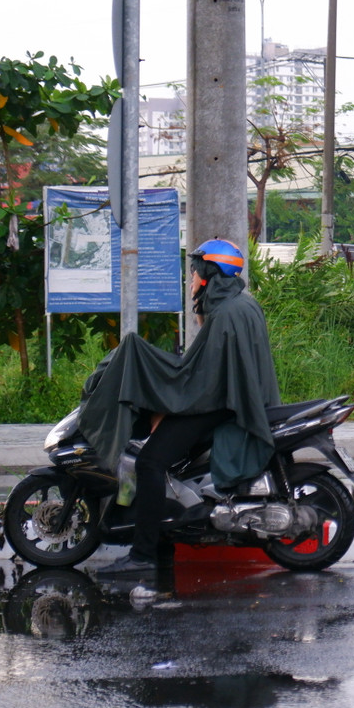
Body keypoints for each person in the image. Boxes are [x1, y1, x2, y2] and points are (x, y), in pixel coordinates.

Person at [81, 239, 281, 575]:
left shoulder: (225, 315)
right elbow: (205, 368)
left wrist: (170, 402)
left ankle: (143, 555)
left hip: (219, 405)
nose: (190, 279)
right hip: (230, 399)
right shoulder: (237, 305)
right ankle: (163, 542)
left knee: (149, 463)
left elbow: (201, 382)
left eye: (193, 273)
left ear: (207, 274)